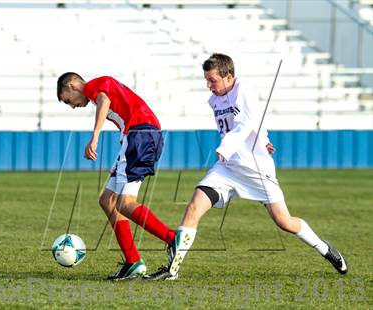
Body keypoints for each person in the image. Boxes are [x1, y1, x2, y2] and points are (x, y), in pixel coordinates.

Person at [146, 53, 348, 280]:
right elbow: (250, 124)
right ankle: (172, 270)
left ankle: (325, 249)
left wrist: (232, 146)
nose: (209, 86)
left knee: (285, 222)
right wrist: (262, 139)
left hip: (255, 170)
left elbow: (246, 123)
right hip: (228, 168)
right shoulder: (214, 100)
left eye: (212, 80)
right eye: (207, 80)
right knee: (194, 206)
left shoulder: (244, 91)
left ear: (228, 76)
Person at [57, 73, 176, 280]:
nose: (72, 106)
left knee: (125, 203)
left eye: (68, 100)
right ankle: (133, 262)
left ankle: (174, 239)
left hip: (140, 134)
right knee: (108, 200)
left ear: (72, 85)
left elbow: (104, 99)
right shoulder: (100, 88)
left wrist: (94, 136)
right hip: (137, 136)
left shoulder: (94, 86)